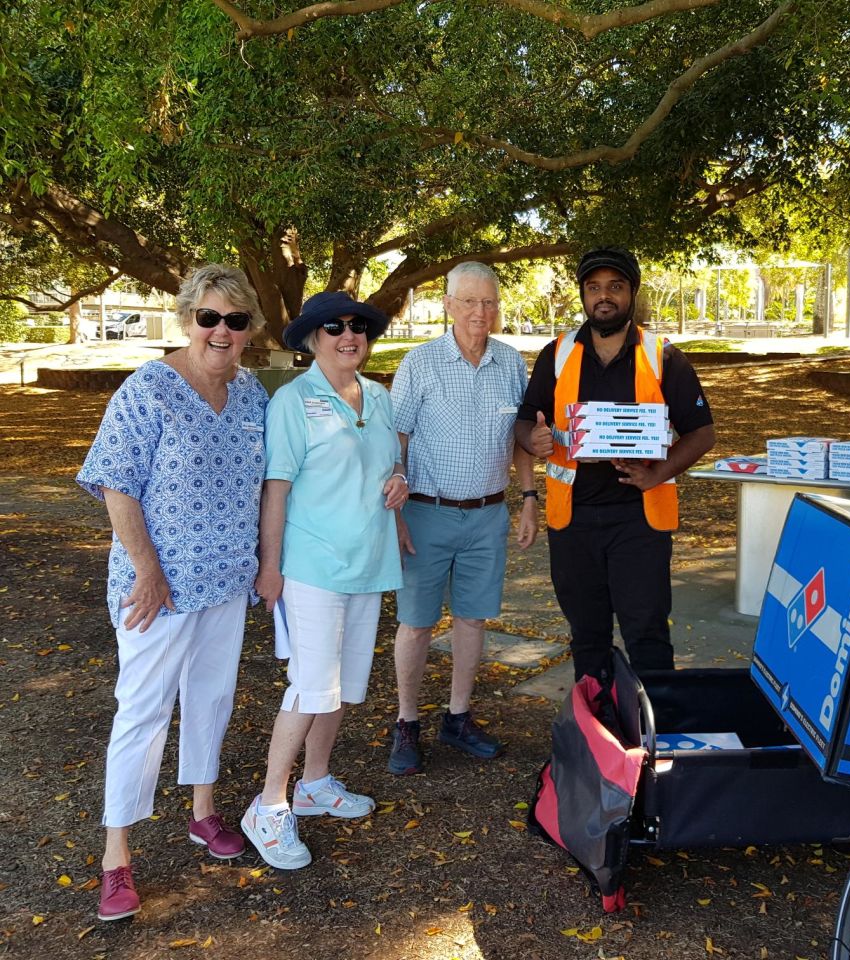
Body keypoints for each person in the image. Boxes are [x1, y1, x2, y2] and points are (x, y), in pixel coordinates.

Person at [77, 264, 269, 921]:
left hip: (226, 580)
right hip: (155, 587)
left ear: (250, 331)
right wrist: (148, 570)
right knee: (143, 710)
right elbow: (115, 484)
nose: (221, 331)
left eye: (235, 320)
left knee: (212, 697)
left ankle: (203, 812)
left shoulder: (252, 396)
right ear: (188, 319)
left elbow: (267, 483)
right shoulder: (148, 390)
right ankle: (116, 857)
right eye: (208, 317)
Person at [242, 291, 407, 870]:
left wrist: (399, 480)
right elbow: (277, 488)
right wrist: (269, 568)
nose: (349, 335)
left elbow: (387, 464)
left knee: (341, 686)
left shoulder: (380, 398)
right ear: (312, 339)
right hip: (311, 566)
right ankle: (268, 805)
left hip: (366, 563)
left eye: (358, 326)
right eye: (333, 327)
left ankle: (314, 782)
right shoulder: (292, 400)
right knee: (311, 685)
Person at [515, 247, 715, 680]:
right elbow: (524, 421)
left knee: (646, 633)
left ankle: (656, 735)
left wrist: (657, 473)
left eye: (615, 287)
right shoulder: (557, 354)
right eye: (594, 288)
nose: (604, 297)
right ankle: (601, 733)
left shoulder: (663, 357)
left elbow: (702, 432)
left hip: (639, 522)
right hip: (573, 521)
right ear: (583, 296)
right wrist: (532, 438)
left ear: (632, 294)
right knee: (587, 636)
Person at [387, 262, 537, 774]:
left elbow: (521, 436)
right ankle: (407, 722)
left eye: (490, 302)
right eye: (470, 302)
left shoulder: (512, 363)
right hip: (426, 512)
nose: (481, 312)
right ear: (448, 304)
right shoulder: (420, 363)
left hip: (488, 515)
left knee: (472, 619)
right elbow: (396, 441)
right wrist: (398, 511)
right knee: (416, 623)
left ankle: (458, 717)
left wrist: (529, 496)